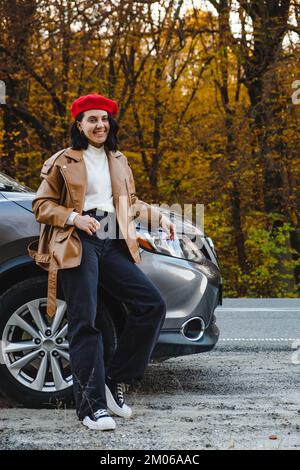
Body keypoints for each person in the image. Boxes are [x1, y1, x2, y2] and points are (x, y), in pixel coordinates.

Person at [30, 93, 175, 431]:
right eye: (92, 119)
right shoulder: (63, 161)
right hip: (78, 242)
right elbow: (41, 205)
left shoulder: (118, 159)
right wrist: (73, 218)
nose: (100, 125)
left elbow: (132, 203)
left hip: (112, 240)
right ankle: (91, 408)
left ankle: (114, 381)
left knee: (151, 305)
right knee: (87, 323)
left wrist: (160, 218)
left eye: (104, 119)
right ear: (79, 124)